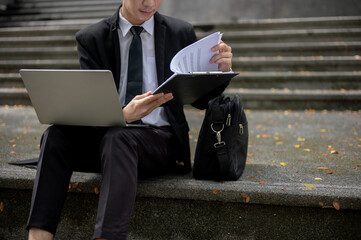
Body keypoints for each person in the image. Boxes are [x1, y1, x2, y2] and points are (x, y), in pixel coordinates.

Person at [27, 0, 233, 239]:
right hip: (106, 137)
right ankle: (38, 236)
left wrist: (220, 71)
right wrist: (124, 115)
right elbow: (92, 105)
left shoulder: (180, 32)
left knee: (119, 137)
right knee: (55, 135)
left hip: (159, 142)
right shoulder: (92, 38)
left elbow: (198, 100)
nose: (149, 3)